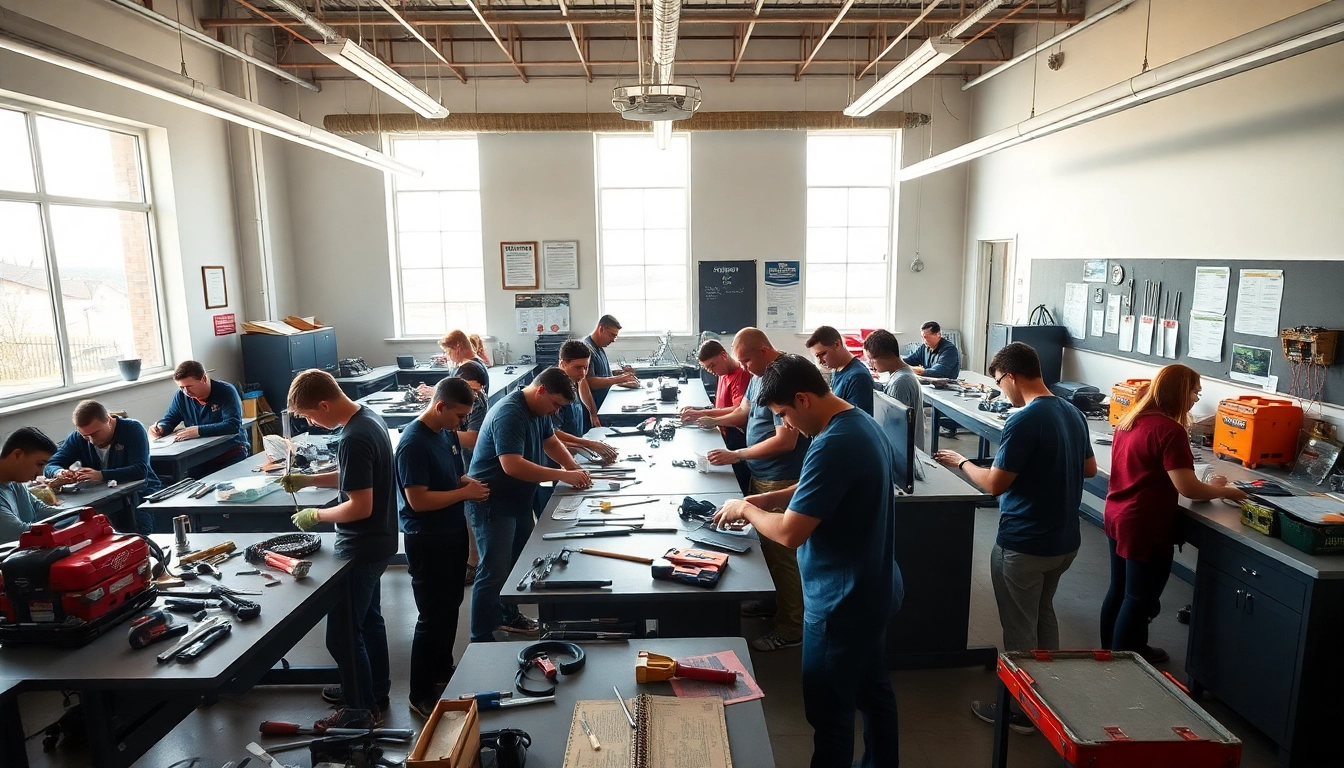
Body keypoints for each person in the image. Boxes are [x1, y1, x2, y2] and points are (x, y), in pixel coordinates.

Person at [712, 354, 901, 768]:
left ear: (803, 399)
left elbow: (789, 534)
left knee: (829, 713)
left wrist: (745, 511)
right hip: (877, 585)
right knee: (874, 693)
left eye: (784, 414)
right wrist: (769, 498)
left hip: (840, 600)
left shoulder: (833, 443)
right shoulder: (856, 422)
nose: (788, 426)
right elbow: (819, 483)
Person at [933, 342, 1095, 734]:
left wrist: (962, 462)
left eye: (999, 382)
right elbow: (1088, 469)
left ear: (1011, 376)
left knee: (1019, 629)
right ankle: (1050, 695)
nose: (1001, 390)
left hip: (1024, 543)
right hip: (1064, 542)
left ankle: (1023, 712)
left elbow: (995, 485)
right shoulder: (1071, 412)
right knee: (1043, 614)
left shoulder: (1024, 420)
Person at [1100, 364, 1246, 663]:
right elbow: (1188, 488)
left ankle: (1111, 651)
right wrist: (1228, 491)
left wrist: (1206, 485)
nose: (1196, 397)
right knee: (1139, 598)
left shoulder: (1130, 420)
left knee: (1119, 590)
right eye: (1194, 391)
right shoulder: (1170, 430)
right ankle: (1124, 663)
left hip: (1118, 514)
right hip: (1144, 523)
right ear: (1179, 393)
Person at [282, 370, 398, 728]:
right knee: (368, 622)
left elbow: (358, 506)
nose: (311, 423)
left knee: (343, 635)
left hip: (360, 545)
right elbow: (355, 474)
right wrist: (310, 479)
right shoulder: (368, 420)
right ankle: (373, 690)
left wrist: (316, 513)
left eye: (309, 416)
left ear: (324, 404)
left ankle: (358, 710)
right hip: (380, 540)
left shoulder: (352, 438)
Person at [698, 328, 809, 652]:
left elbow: (786, 440)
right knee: (765, 550)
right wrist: (706, 415)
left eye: (746, 360)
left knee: (782, 554)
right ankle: (773, 601)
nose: (742, 367)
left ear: (763, 350)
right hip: (761, 474)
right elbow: (744, 413)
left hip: (780, 477)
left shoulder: (784, 376)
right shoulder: (758, 375)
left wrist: (739, 454)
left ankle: (792, 627)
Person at [467, 367, 594, 642]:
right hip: (493, 502)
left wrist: (574, 469)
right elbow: (512, 465)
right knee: (493, 570)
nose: (556, 412)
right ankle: (481, 636)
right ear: (541, 390)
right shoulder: (510, 413)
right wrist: (562, 474)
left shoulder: (539, 410)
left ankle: (509, 617)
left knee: (516, 565)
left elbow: (551, 442)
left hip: (518, 500)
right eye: (556, 404)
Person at [395, 377, 491, 717]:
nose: (462, 423)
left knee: (451, 607)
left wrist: (467, 482)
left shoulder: (446, 433)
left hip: (451, 534)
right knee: (431, 616)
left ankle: (441, 669)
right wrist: (464, 493)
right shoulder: (413, 443)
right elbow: (418, 500)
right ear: (440, 406)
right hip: (427, 539)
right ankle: (419, 691)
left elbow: (454, 474)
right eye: (459, 415)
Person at [45, 400, 162, 534]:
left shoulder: (132, 429)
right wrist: (60, 472)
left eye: (95, 434)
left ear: (108, 420)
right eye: (86, 436)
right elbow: (51, 465)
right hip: (103, 497)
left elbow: (140, 470)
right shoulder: (77, 438)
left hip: (142, 494)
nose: (92, 441)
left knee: (141, 534)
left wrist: (101, 475)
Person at [534, 341, 620, 518]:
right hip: (550, 467)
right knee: (551, 518)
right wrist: (588, 446)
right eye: (578, 367)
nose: (582, 373)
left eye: (586, 367)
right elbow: (551, 435)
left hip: (569, 462)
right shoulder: (552, 391)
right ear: (562, 363)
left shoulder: (573, 382)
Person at [680, 339, 752, 493]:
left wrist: (704, 413)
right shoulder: (723, 373)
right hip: (725, 431)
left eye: (713, 365)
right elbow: (721, 406)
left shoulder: (741, 374)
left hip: (738, 434)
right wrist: (698, 408)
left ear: (723, 355)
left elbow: (738, 410)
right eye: (707, 368)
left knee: (737, 482)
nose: (711, 371)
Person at [149, 360, 250, 469]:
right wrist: (161, 428)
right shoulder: (181, 397)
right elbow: (170, 419)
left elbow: (233, 425)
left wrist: (198, 431)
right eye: (181, 387)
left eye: (189, 386)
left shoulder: (226, 391)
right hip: (199, 455)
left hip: (229, 452)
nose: (185, 391)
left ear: (204, 379)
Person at [454, 361, 491, 585]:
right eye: (469, 389)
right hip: (452, 460)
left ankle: (474, 561)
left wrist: (441, 433)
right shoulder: (449, 394)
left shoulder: (478, 401)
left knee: (471, 514)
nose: (473, 395)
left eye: (477, 390)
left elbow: (473, 439)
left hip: (471, 462)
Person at [863, 329, 924, 445]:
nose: (871, 364)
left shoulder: (901, 382)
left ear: (889, 355)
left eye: (872, 359)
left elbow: (893, 425)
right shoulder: (901, 375)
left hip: (902, 451)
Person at [0, 428, 60, 545]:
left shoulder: (15, 482)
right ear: (17, 455)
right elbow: (20, 533)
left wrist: (80, 513)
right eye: (39, 464)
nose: (40, 474)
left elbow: (38, 509)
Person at [582, 315, 638, 427]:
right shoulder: (587, 348)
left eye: (616, 336)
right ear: (601, 329)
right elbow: (590, 382)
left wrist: (622, 375)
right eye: (612, 335)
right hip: (594, 410)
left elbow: (604, 374)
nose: (613, 340)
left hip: (604, 407)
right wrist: (618, 379)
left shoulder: (600, 348)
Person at [805, 325, 874, 415]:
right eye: (817, 356)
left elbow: (856, 421)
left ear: (837, 344)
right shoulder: (837, 369)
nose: (820, 361)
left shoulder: (858, 377)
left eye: (823, 354)